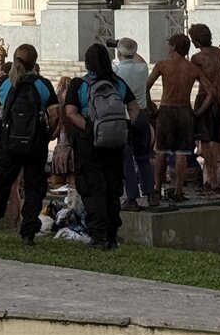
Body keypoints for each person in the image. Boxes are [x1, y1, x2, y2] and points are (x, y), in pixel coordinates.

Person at [0, 43, 59, 246]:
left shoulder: (4, 83)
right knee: (34, 187)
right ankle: (28, 232)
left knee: (0, 185)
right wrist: (47, 135)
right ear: (35, 62)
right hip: (35, 144)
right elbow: (55, 115)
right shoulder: (42, 84)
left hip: (9, 143)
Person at [66, 42, 138, 250]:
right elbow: (134, 108)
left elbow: (71, 112)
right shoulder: (118, 83)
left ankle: (98, 235)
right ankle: (112, 235)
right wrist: (124, 126)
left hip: (89, 140)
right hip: (115, 139)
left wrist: (89, 128)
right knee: (112, 184)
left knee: (92, 185)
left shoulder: (80, 84)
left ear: (87, 63)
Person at [146, 32, 206, 202]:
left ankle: (157, 188)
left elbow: (146, 86)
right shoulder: (192, 68)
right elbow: (210, 92)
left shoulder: (162, 65)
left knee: (161, 151)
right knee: (182, 152)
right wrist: (198, 112)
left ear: (173, 47)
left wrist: (151, 107)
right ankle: (178, 190)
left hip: (166, 109)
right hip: (185, 111)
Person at [112, 38, 155, 210]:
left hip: (125, 114)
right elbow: (140, 59)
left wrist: (120, 46)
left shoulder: (115, 70)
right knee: (144, 157)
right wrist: (129, 48)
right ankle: (151, 193)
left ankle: (131, 197)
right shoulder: (142, 68)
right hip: (142, 114)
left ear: (119, 52)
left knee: (126, 158)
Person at [189, 24, 220, 195]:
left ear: (197, 40)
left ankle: (213, 183)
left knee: (206, 145)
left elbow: (193, 81)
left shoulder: (197, 57)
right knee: (212, 143)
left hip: (205, 98)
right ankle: (211, 182)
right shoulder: (218, 52)